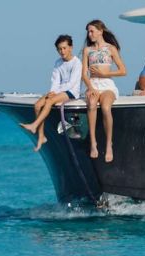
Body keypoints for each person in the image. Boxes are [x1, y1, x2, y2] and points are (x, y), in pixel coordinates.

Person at [21, 34, 82, 152]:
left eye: (64, 48)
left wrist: (54, 94)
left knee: (49, 102)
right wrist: (52, 92)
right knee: (37, 105)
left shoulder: (76, 63)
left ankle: (34, 125)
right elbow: (55, 81)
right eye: (59, 49)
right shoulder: (58, 62)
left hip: (71, 92)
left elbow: (71, 83)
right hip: (58, 91)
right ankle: (41, 136)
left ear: (71, 48)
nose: (62, 51)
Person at [82, 19, 126, 162]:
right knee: (92, 104)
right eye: (88, 32)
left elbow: (123, 71)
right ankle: (93, 142)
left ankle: (109, 144)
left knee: (106, 108)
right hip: (93, 84)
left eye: (92, 31)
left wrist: (105, 74)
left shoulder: (111, 48)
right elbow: (84, 74)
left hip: (107, 84)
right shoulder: (87, 50)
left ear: (100, 31)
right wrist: (90, 87)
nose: (89, 34)